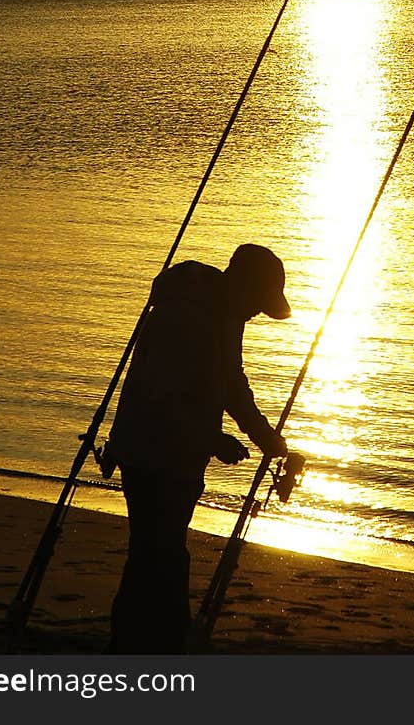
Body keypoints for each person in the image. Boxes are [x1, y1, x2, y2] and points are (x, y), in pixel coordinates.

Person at [103, 243, 290, 653]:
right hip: (150, 454)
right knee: (159, 555)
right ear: (242, 285)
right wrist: (213, 440)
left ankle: (143, 644)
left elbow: (231, 383)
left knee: (157, 554)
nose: (258, 312)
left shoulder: (225, 314)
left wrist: (267, 439)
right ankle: (153, 646)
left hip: (180, 458)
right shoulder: (187, 316)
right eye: (259, 301)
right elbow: (162, 394)